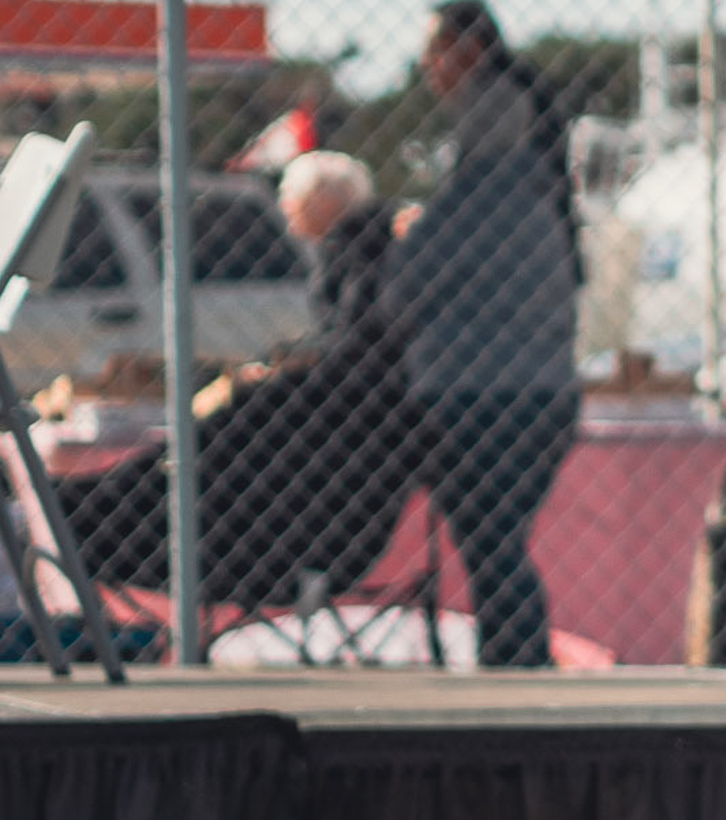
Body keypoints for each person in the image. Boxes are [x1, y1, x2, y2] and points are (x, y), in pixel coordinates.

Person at [47, 151, 437, 620]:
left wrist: (288, 372)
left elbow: (356, 347)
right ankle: (101, 505)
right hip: (328, 441)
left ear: (324, 200)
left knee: (235, 425)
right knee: (229, 425)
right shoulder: (354, 256)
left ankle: (95, 511)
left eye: (291, 196)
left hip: (315, 481)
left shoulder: (366, 259)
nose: (284, 205)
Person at [390, 0, 581, 667]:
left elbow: (401, 293)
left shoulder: (474, 199)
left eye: (434, 53)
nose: (428, 70)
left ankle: (522, 673)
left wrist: (413, 238)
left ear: (467, 53)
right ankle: (518, 670)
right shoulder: (544, 206)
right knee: (500, 547)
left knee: (494, 550)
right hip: (546, 393)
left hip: (473, 395)